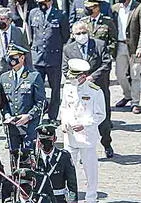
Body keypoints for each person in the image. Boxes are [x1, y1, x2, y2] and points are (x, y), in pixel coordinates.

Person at [62, 21, 113, 158]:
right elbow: (65, 70)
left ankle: (107, 144)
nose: (81, 35)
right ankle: (81, 147)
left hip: (98, 88)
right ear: (73, 35)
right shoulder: (68, 49)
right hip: (79, 91)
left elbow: (107, 64)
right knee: (80, 119)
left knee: (104, 119)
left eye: (84, 32)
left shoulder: (99, 45)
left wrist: (91, 77)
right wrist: (78, 80)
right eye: (78, 33)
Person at [60, 58, 105, 203]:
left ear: (83, 76)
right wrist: (64, 122)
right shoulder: (67, 87)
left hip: (87, 136)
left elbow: (100, 115)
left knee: (90, 169)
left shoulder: (95, 91)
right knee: (68, 168)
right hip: (70, 135)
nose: (72, 79)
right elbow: (65, 107)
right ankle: (71, 194)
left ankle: (91, 196)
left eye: (75, 77)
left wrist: (84, 124)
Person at [28, 0, 70, 120]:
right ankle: (38, 114)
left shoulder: (60, 15)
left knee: (55, 89)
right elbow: (31, 33)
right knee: (36, 88)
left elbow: (65, 36)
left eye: (44, 2)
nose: (41, 5)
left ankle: (53, 116)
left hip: (54, 58)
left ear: (50, 1)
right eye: (39, 1)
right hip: (37, 58)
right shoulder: (33, 13)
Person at [0, 44, 46, 152]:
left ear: (22, 58)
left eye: (14, 57)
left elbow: (41, 103)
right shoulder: (4, 78)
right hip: (12, 127)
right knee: (14, 159)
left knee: (29, 159)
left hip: (29, 126)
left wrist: (29, 116)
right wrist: (6, 115)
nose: (11, 60)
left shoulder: (34, 76)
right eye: (9, 56)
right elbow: (3, 102)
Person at [112, 0, 141, 114]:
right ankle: (127, 95)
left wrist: (140, 47)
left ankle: (135, 102)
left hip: (134, 47)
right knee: (119, 74)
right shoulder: (115, 8)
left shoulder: (140, 8)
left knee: (135, 74)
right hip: (120, 45)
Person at [34, 121, 78, 203]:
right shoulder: (33, 157)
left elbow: (72, 183)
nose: (45, 143)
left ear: (55, 139)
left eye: (48, 140)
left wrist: (72, 201)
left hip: (58, 198)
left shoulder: (64, 156)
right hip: (39, 199)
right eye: (42, 140)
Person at [0, 7, 31, 77]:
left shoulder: (20, 32)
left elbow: (27, 52)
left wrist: (30, 70)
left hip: (17, 72)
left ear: (9, 20)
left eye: (2, 19)